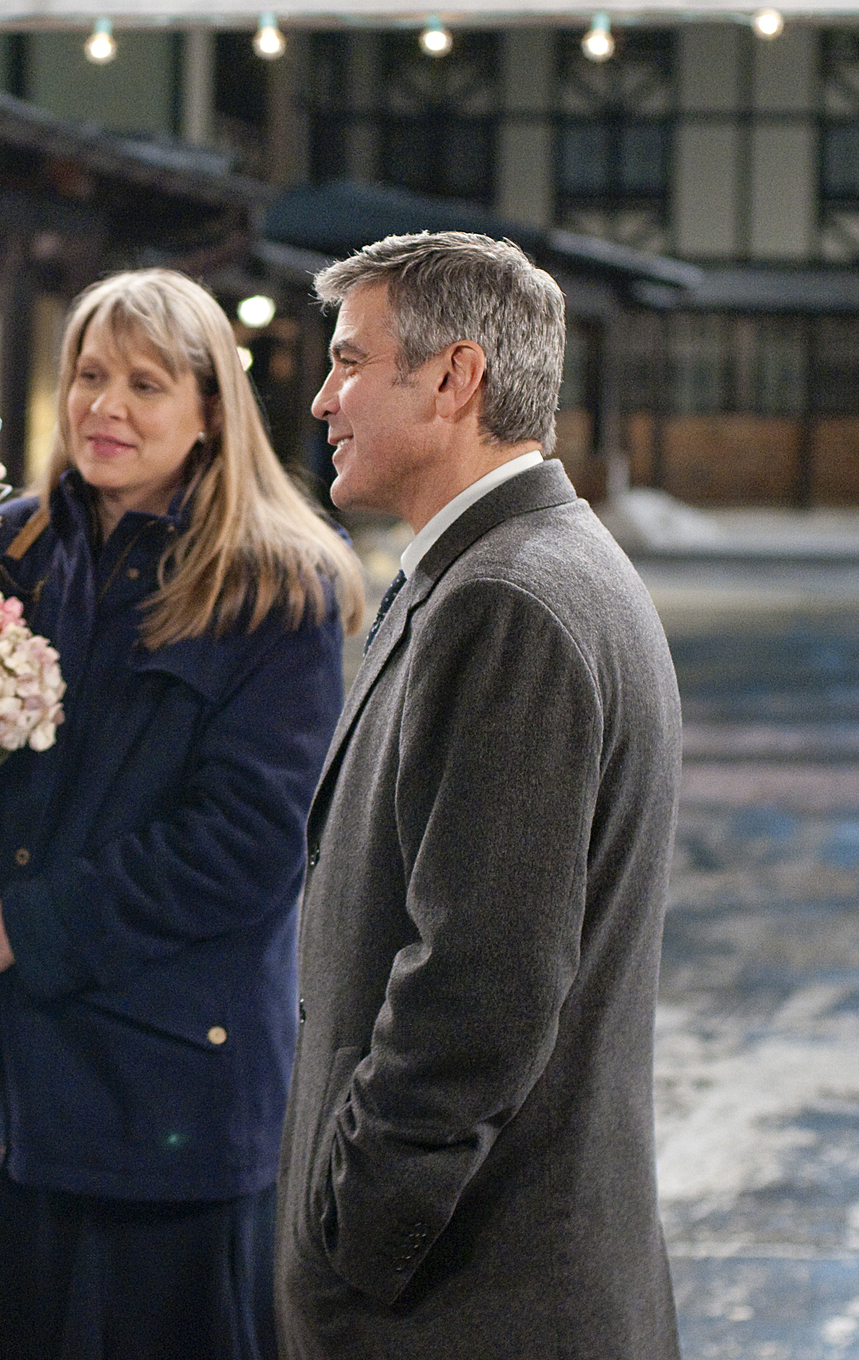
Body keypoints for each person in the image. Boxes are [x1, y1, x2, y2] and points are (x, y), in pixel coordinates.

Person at [0, 268, 366, 1359]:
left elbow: (249, 844)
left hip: (165, 1101)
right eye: (87, 374)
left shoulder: (275, 584)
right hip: (8, 1100)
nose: (104, 407)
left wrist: (19, 929)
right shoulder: (4, 553)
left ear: (210, 408)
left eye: (144, 382)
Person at [276, 232, 682, 1357]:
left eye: (350, 361)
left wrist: (352, 1230)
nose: (320, 398)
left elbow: (481, 986)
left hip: (471, 1297)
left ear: (454, 379)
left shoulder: (505, 600)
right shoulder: (500, 570)